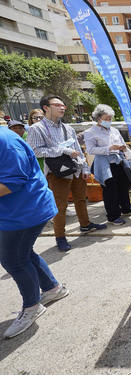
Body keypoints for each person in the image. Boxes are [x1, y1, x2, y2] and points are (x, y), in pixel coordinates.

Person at [0, 126, 70, 339]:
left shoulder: (5, 140)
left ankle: (32, 307)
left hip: (26, 212)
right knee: (24, 253)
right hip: (16, 212)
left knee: (14, 260)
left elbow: (14, 181)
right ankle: (52, 289)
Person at [27, 95, 106, 251]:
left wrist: (84, 167)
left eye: (63, 105)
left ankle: (85, 224)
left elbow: (77, 148)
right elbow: (35, 151)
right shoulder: (37, 128)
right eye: (57, 105)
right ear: (46, 108)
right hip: (57, 173)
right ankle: (60, 236)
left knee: (81, 199)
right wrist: (63, 150)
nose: (62, 108)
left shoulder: (68, 128)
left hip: (75, 169)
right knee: (60, 206)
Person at [84, 104, 131, 225]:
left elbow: (122, 142)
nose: (109, 121)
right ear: (98, 118)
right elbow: (91, 149)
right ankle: (113, 216)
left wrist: (123, 148)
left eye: (110, 118)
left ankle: (126, 208)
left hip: (119, 160)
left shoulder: (114, 130)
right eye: (106, 118)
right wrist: (108, 148)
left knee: (124, 186)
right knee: (110, 190)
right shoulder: (91, 132)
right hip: (104, 163)